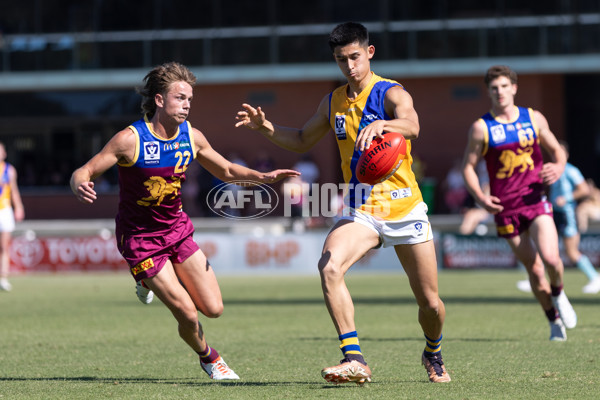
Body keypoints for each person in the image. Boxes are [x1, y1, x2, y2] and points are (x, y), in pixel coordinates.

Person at [236, 22, 450, 384]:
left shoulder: (391, 93)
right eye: (340, 59)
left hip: (404, 207)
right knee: (329, 267)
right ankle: (355, 359)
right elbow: (303, 139)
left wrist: (386, 125)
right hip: (360, 208)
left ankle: (433, 351)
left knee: (430, 304)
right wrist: (265, 128)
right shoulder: (333, 101)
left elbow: (412, 125)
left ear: (369, 52)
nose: (349, 66)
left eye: (354, 57)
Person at [71, 62, 299, 380]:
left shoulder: (192, 136)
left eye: (190, 99)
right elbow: (85, 169)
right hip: (140, 240)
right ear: (160, 100)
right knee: (188, 314)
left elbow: (228, 171)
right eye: (180, 97)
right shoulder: (130, 139)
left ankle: (145, 281)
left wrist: (263, 177)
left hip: (177, 232)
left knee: (214, 308)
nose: (187, 104)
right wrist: (79, 182)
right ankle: (210, 358)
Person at [462, 65, 577, 341]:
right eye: (494, 88)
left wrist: (559, 166)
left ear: (514, 88)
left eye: (504, 86)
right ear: (489, 92)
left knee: (551, 259)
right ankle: (553, 322)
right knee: (535, 270)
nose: (499, 92)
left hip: (535, 201)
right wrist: (480, 197)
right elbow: (468, 167)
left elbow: (556, 149)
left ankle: (559, 293)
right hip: (505, 209)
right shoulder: (481, 128)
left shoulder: (533, 118)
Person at [517, 141, 600, 294]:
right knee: (544, 247)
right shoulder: (552, 170)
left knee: (571, 252)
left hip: (567, 214)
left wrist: (567, 198)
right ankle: (537, 278)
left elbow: (584, 190)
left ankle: (595, 277)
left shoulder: (570, 171)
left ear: (565, 154)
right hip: (553, 212)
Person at [0, 142, 25, 291]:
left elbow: (14, 190)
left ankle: (3, 278)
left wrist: (19, 207)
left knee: (4, 246)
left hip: (4, 211)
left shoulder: (9, 170)